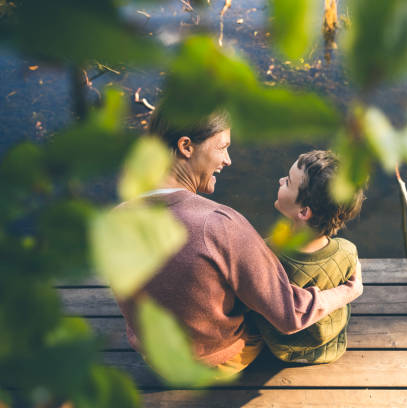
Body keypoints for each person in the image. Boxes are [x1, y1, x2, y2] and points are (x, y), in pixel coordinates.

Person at [115, 105, 363, 375]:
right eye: (222, 147)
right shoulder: (220, 224)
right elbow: (291, 315)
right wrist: (349, 291)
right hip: (216, 364)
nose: (228, 160)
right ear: (186, 146)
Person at [254, 150, 365, 364]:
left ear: (304, 212)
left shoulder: (268, 252)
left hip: (278, 347)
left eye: (287, 182)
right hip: (330, 346)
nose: (280, 181)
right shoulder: (347, 251)